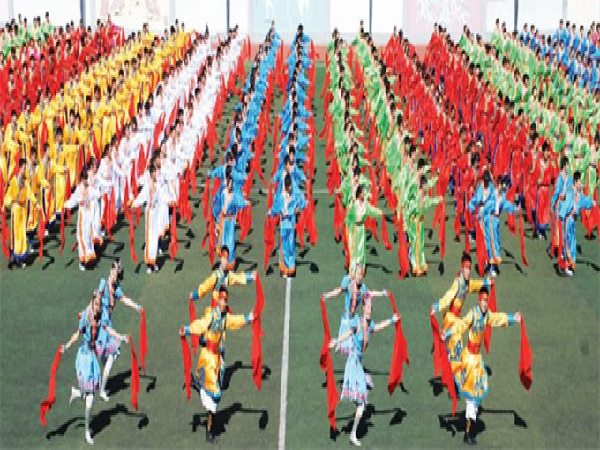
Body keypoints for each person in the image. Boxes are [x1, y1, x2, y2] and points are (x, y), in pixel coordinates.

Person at [444, 287, 522, 445]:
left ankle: (469, 426)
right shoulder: (473, 314)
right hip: (469, 359)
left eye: (487, 301)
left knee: (476, 394)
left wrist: (513, 318)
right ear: (479, 301)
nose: (485, 304)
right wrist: (448, 333)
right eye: (483, 301)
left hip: (477, 360)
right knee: (471, 398)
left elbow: (498, 318)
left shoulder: (487, 315)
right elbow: (461, 325)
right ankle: (468, 433)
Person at [179, 287, 254, 443]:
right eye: (222, 300)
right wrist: (187, 329)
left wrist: (248, 317)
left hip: (216, 360)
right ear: (217, 300)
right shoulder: (211, 315)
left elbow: (236, 321)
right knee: (215, 396)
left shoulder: (225, 318)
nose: (225, 303)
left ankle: (198, 386)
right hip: (208, 359)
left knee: (214, 400)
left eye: (226, 301)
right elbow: (201, 325)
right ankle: (209, 433)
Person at [329, 296, 399, 447]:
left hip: (358, 363)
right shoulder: (358, 323)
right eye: (367, 308)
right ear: (363, 308)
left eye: (370, 308)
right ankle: (353, 434)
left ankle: (349, 399)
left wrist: (392, 320)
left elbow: (377, 327)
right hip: (354, 363)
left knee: (364, 392)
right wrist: (337, 341)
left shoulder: (369, 324)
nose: (369, 311)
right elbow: (349, 333)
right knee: (361, 404)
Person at [62, 290, 129, 445]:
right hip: (84, 358)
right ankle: (87, 431)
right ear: (92, 303)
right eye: (96, 304)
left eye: (99, 304)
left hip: (92, 358)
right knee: (91, 398)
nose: (98, 307)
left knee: (91, 391)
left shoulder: (101, 316)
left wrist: (121, 337)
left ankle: (77, 393)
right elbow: (77, 334)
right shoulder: (86, 317)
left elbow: (108, 329)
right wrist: (66, 346)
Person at [430, 253, 491, 376]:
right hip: (451, 319)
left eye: (469, 268)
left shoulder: (466, 283)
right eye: (466, 268)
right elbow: (448, 296)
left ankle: (451, 373)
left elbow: (474, 284)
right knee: (455, 348)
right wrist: (437, 306)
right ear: (462, 268)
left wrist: (486, 282)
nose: (468, 271)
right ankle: (453, 374)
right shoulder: (458, 283)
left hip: (456, 319)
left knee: (453, 348)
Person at [97, 259, 143, 401]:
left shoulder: (116, 288)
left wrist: (137, 307)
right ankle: (101, 389)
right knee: (108, 357)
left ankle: (101, 385)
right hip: (101, 327)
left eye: (116, 273)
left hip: (106, 325)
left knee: (107, 359)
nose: (114, 275)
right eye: (113, 271)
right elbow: (95, 302)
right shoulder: (103, 285)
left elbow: (124, 299)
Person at [323, 263, 387, 356]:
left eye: (361, 274)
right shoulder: (349, 284)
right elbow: (339, 291)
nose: (359, 277)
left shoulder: (363, 288)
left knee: (351, 340)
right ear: (354, 274)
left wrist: (382, 293)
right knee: (345, 340)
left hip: (352, 317)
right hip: (346, 317)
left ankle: (349, 353)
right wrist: (327, 295)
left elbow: (370, 293)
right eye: (358, 274)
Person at [557, 170, 596, 276]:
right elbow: (566, 205)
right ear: (575, 181)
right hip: (567, 221)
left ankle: (570, 264)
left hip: (573, 221)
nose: (580, 184)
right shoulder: (570, 192)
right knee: (567, 242)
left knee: (572, 242)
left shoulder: (578, 194)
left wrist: (592, 202)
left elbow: (584, 201)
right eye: (579, 181)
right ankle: (566, 264)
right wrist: (562, 215)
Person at [268, 174, 307, 277]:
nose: (290, 189)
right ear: (285, 186)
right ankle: (285, 268)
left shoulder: (294, 196)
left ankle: (291, 267)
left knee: (291, 246)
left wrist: (306, 203)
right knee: (284, 246)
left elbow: (302, 203)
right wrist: (270, 213)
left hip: (291, 223)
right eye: (288, 187)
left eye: (291, 187)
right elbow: (275, 208)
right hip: (283, 224)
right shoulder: (281, 197)